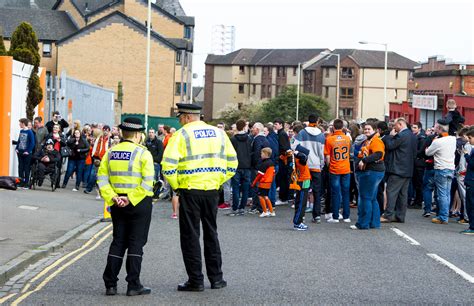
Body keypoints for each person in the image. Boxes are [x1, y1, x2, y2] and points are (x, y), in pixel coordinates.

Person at [162, 103, 237, 292]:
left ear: (187, 117)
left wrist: (177, 186)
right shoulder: (219, 133)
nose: (179, 122)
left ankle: (195, 280)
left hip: (189, 190)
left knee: (190, 236)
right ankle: (217, 279)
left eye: (180, 118)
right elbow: (232, 162)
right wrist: (218, 179)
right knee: (211, 233)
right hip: (212, 190)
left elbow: (168, 166)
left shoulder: (181, 135)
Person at [97, 117, 155, 296]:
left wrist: (113, 197)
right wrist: (131, 198)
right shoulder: (143, 153)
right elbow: (147, 183)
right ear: (138, 134)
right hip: (139, 203)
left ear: (122, 133)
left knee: (118, 241)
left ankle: (110, 285)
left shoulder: (111, 152)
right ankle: (133, 285)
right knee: (136, 243)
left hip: (117, 203)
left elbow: (102, 178)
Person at [381, 118, 417, 223]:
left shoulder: (402, 135)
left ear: (400, 124)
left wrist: (390, 136)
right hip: (407, 169)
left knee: (391, 192)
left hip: (397, 169)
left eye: (395, 125)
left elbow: (390, 145)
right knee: (402, 194)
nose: (393, 128)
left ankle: (388, 215)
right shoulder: (412, 135)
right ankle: (400, 216)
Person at [291, 114, 325, 223]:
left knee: (302, 190)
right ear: (318, 122)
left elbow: (294, 147)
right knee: (316, 191)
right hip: (316, 166)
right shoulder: (321, 135)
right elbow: (321, 153)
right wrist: (321, 164)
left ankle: (301, 215)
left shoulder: (302, 133)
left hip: (304, 165)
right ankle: (317, 215)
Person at [352, 122, 385, 230]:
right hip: (373, 171)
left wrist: (364, 160)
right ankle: (374, 223)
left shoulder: (376, 140)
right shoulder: (368, 140)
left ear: (375, 130)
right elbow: (362, 153)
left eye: (369, 129)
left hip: (371, 171)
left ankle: (363, 223)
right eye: (365, 129)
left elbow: (378, 154)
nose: (366, 131)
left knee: (365, 197)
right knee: (372, 198)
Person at [425, 120, 456, 224]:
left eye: (436, 127)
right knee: (447, 193)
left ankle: (443, 217)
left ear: (439, 129)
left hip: (441, 168)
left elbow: (428, 152)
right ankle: (445, 214)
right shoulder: (453, 139)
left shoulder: (437, 142)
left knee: (442, 194)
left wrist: (429, 146)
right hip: (450, 168)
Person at [324, 119, 352, 223]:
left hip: (335, 168)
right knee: (346, 193)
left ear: (333, 127)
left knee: (335, 193)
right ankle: (346, 216)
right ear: (342, 127)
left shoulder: (329, 139)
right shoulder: (347, 139)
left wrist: (329, 165)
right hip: (345, 167)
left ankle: (335, 216)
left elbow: (327, 156)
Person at [229, 119, 252, 216]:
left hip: (236, 165)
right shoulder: (249, 138)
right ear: (243, 127)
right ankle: (242, 207)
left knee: (235, 188)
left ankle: (235, 207)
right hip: (247, 165)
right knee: (245, 188)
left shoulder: (233, 139)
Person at [291, 125, 311, 231]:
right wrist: (297, 152)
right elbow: (304, 156)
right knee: (301, 202)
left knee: (301, 201)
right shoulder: (299, 158)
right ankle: (298, 222)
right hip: (303, 180)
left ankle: (299, 220)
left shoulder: (297, 157)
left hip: (304, 179)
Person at [249, 122, 270, 213]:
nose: (251, 129)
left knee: (256, 187)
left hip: (258, 167)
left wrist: (255, 166)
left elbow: (256, 154)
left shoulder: (257, 140)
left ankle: (257, 207)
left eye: (253, 128)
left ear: (257, 130)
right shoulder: (265, 139)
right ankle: (261, 206)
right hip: (264, 166)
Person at [251, 147, 276, 218]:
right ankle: (271, 211)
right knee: (266, 196)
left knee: (261, 196)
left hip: (263, 182)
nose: (261, 155)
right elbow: (274, 173)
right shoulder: (271, 163)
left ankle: (265, 211)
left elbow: (259, 175)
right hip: (269, 182)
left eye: (262, 153)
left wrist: (253, 183)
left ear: (265, 154)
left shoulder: (264, 164)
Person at [274, 118, 292, 205]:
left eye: (276, 124)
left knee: (283, 179)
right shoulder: (281, 133)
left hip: (283, 160)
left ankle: (283, 198)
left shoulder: (281, 134)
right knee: (283, 179)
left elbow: (284, 147)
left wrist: (280, 156)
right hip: (284, 159)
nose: (275, 126)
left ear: (281, 125)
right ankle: (284, 197)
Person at [460, 128, 474, 235]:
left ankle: (472, 227)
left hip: (472, 180)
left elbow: (472, 164)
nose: (469, 141)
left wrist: (465, 154)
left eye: (470, 138)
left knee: (471, 204)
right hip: (471, 178)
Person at [145, 128, 164, 201]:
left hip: (155, 164)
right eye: (149, 132)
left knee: (155, 180)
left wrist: (153, 159)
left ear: (154, 133)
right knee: (148, 179)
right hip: (148, 164)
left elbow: (160, 154)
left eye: (152, 132)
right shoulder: (147, 142)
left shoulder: (158, 142)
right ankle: (150, 193)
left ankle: (156, 194)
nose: (150, 134)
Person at [16, 118, 35, 188]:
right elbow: (19, 141)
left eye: (20, 123)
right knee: (20, 168)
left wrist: (28, 151)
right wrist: (17, 148)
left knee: (26, 168)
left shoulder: (30, 132)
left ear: (23, 123)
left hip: (27, 153)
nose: (19, 124)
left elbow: (32, 143)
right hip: (20, 152)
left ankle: (26, 183)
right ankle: (20, 182)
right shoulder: (21, 131)